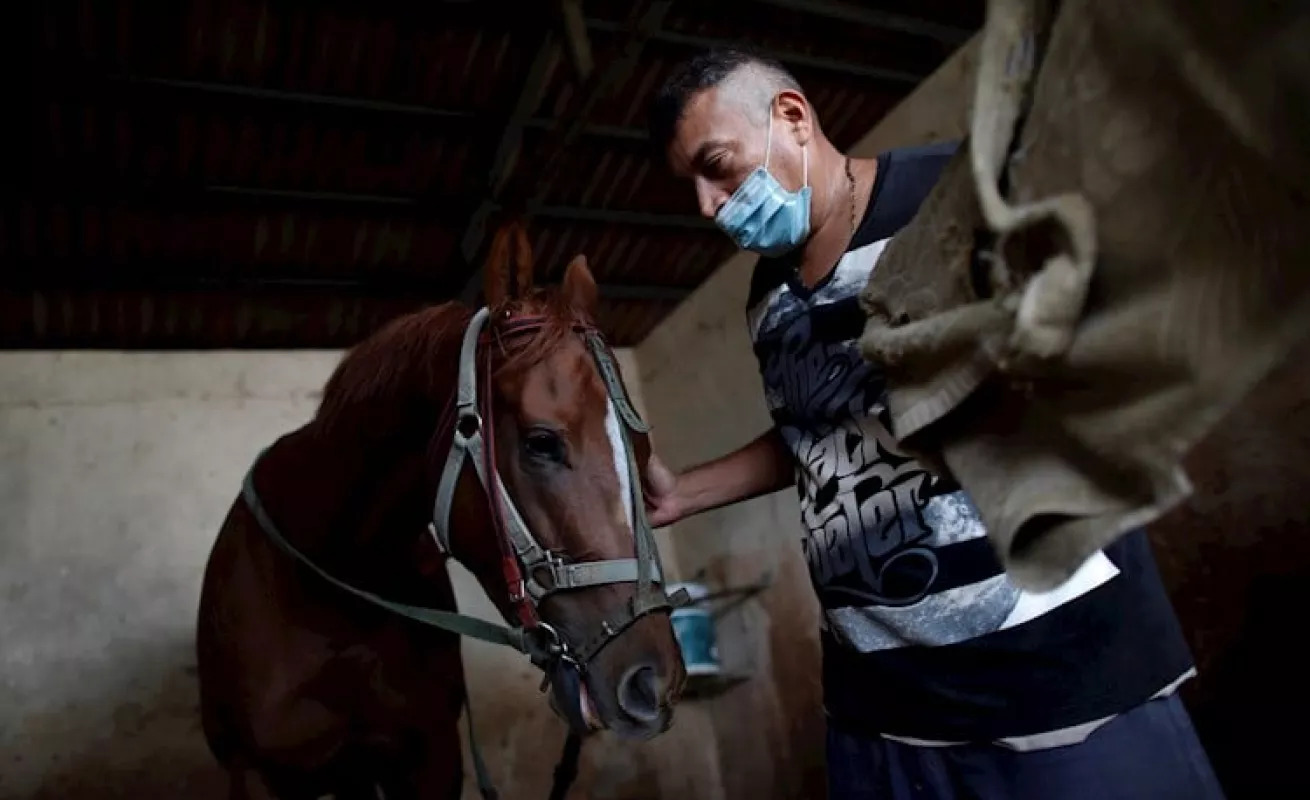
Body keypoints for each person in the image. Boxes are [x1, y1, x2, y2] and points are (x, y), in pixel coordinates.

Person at [641, 47, 1226, 800]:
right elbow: (818, 436)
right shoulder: (767, 300)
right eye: (690, 185)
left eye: (715, 166)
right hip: (878, 716)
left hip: (1059, 686)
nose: (707, 205)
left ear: (791, 117)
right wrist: (682, 495)